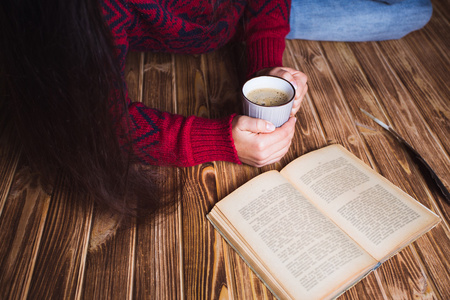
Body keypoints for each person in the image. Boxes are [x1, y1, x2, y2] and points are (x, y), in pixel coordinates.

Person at [1, 0, 307, 216]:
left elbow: (268, 11)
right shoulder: (87, 13)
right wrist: (217, 139)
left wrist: (267, 67)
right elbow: (103, 122)